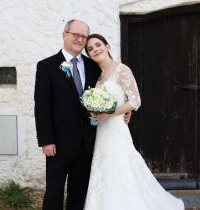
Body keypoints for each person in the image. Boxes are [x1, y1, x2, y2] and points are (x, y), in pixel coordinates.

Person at [34, 20, 130, 210]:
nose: (79, 39)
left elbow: (114, 92)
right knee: (54, 190)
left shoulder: (93, 66)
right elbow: (42, 107)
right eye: (75, 35)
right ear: (64, 34)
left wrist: (125, 112)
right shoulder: (47, 66)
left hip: (88, 142)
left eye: (83, 36)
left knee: (79, 192)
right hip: (58, 143)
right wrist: (46, 140)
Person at [84, 34, 184, 210]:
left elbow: (135, 101)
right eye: (90, 49)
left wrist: (109, 114)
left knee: (122, 168)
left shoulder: (121, 70)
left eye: (98, 45)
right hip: (102, 132)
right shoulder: (99, 77)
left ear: (107, 47)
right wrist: (94, 111)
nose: (95, 49)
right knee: (105, 170)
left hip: (116, 129)